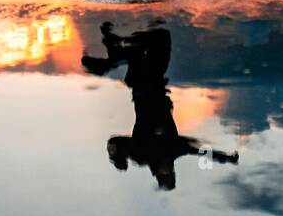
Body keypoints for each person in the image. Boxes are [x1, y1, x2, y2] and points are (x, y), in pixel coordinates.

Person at [82, 22, 238, 190]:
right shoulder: (175, 150)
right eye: (170, 173)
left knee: (149, 45)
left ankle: (112, 55)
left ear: (157, 174)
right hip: (154, 83)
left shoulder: (141, 155)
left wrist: (117, 158)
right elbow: (203, 152)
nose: (166, 170)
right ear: (173, 172)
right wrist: (226, 159)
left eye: (163, 175)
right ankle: (113, 52)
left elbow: (114, 141)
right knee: (159, 38)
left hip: (143, 87)